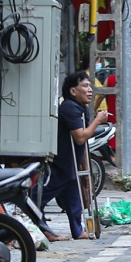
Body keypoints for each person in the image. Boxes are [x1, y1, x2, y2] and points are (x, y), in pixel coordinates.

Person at [38, 71, 107, 240]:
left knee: (74, 200)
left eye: (90, 86)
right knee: (37, 199)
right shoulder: (69, 107)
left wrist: (85, 173)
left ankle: (78, 231)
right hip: (59, 164)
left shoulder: (81, 108)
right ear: (73, 91)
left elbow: (82, 145)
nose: (90, 90)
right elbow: (80, 136)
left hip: (71, 165)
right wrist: (98, 120)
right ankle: (43, 230)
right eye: (85, 86)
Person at [95, 70, 131, 171]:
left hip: (114, 114)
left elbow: (101, 96)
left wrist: (94, 108)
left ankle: (117, 168)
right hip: (130, 116)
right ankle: (126, 169)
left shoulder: (109, 80)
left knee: (114, 142)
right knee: (129, 141)